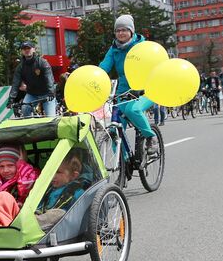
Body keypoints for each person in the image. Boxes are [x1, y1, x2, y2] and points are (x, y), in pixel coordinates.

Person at [99, 14, 159, 155]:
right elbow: (104, 67)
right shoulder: (114, 49)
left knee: (133, 110)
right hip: (124, 92)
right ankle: (123, 162)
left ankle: (151, 137)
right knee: (115, 130)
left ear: (131, 31)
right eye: (118, 30)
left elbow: (153, 66)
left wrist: (143, 87)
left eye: (124, 30)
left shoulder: (142, 46)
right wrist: (94, 78)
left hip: (146, 90)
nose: (121, 33)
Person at [35, 153, 85, 231]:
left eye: (58, 172)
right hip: (44, 216)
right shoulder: (49, 190)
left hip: (63, 222)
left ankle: (34, 224)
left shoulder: (77, 191)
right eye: (52, 171)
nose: (53, 175)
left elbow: (80, 212)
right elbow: (41, 203)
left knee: (58, 213)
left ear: (73, 176)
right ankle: (33, 222)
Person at [8, 41, 56, 117]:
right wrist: (11, 99)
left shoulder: (42, 62)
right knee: (25, 109)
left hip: (47, 93)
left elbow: (49, 78)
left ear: (34, 49)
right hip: (32, 94)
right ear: (22, 51)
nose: (26, 50)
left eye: (28, 48)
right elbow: (15, 83)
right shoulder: (20, 67)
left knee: (51, 117)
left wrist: (51, 92)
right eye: (24, 49)